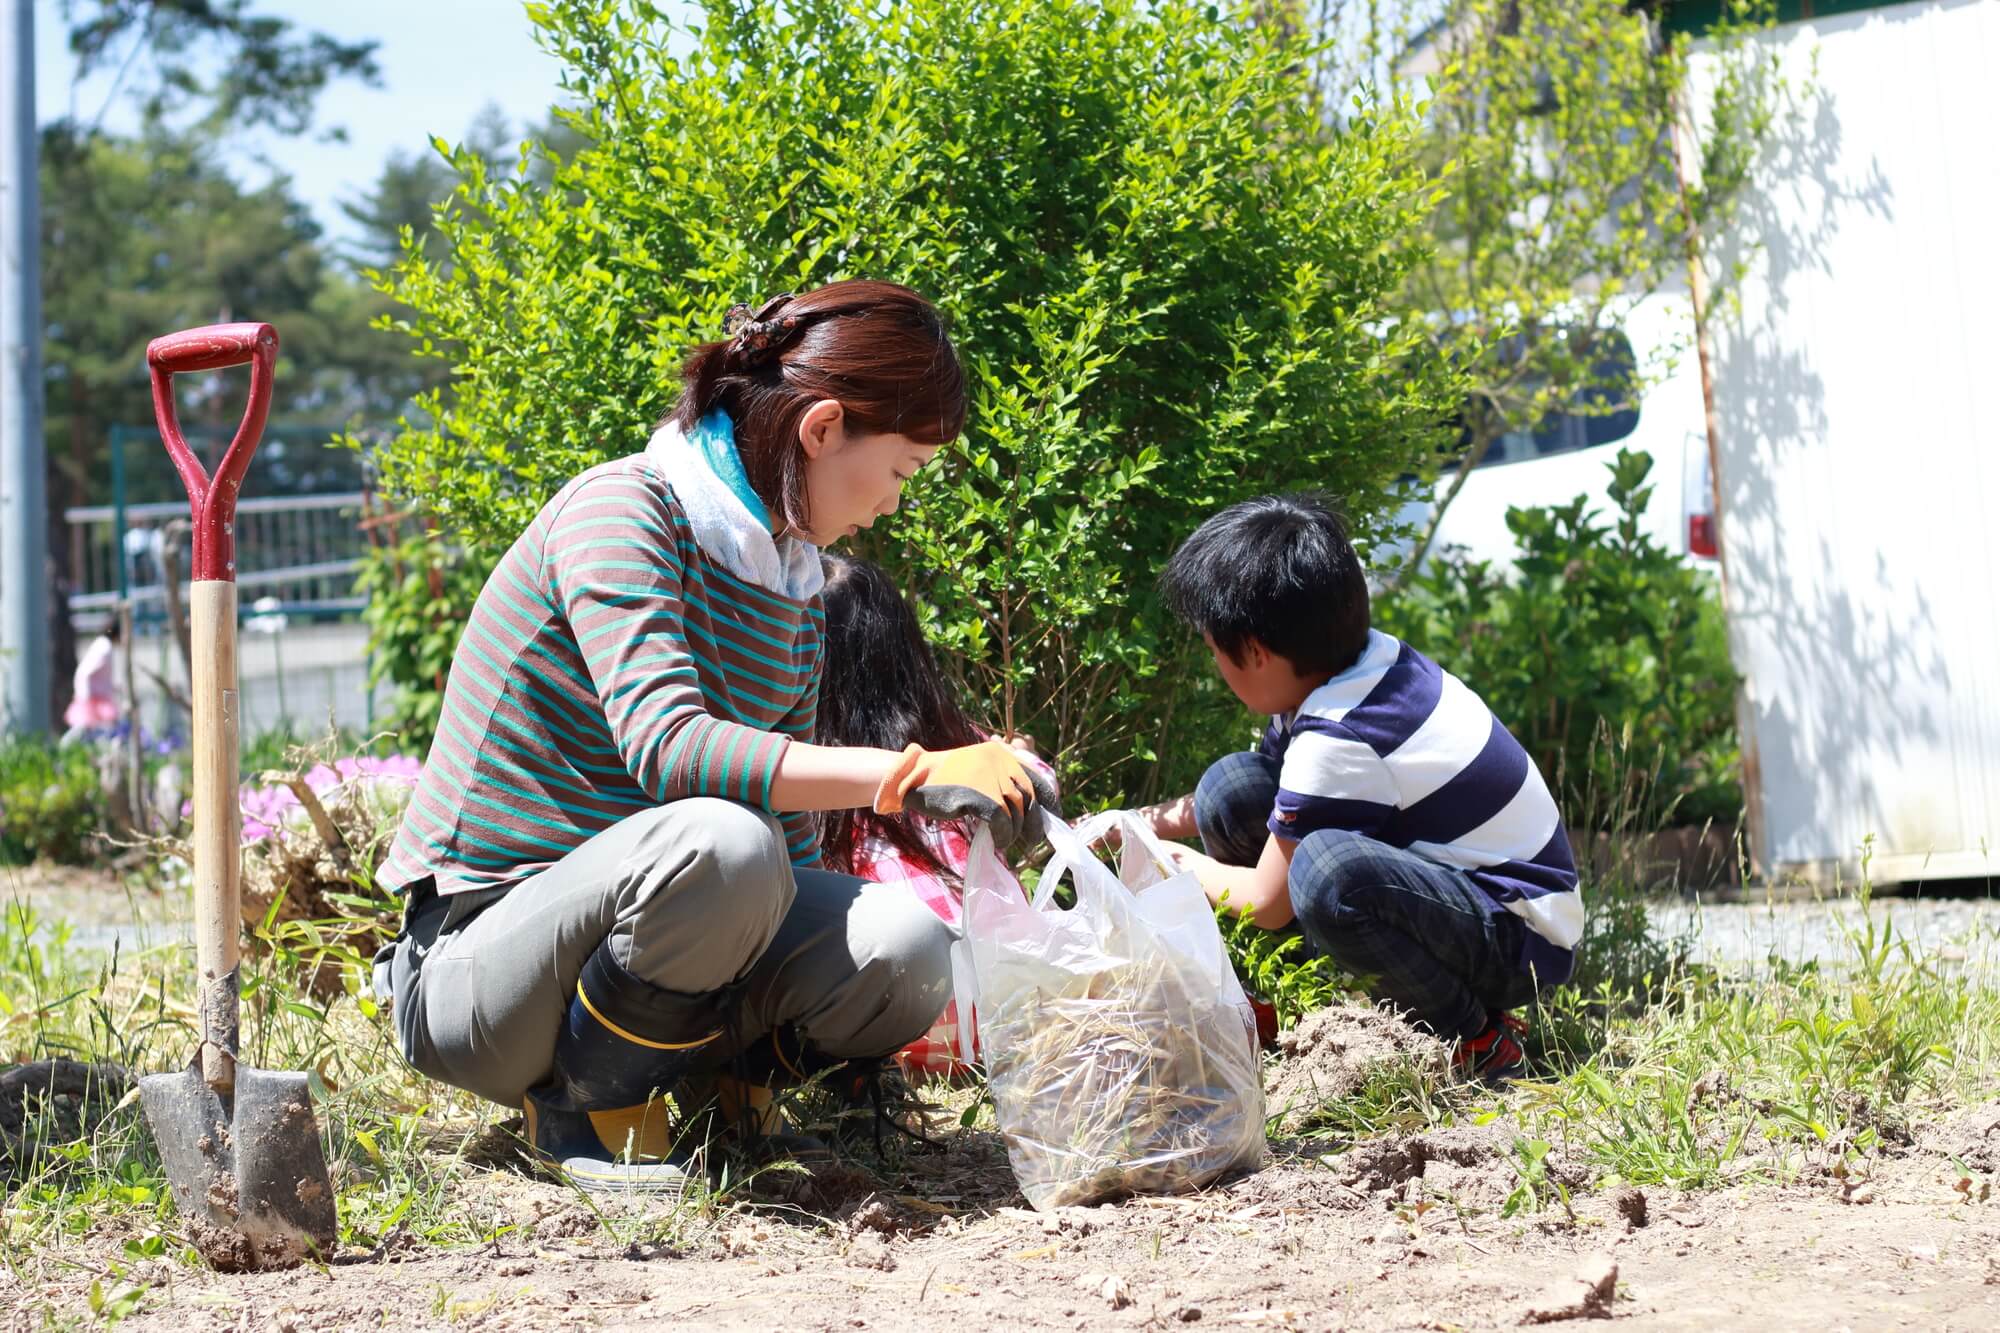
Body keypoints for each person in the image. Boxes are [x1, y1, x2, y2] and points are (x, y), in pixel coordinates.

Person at [373, 281, 1055, 1193]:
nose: (894, 504)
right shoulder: (621, 514)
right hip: (477, 971)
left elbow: (796, 845)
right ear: (820, 429)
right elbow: (674, 749)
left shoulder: (790, 577)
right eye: (899, 472)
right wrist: (911, 773)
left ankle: (733, 1104)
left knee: (907, 949)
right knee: (726, 842)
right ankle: (589, 1113)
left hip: (653, 930)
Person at [1144, 493, 1583, 1082]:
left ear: (1254, 652)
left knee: (1326, 873)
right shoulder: (1346, 668)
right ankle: (1307, 1003)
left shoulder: (1340, 731)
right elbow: (1277, 801)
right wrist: (1142, 820)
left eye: (1215, 650)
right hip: (1465, 897)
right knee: (1233, 788)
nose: (1215, 666)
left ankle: (1476, 1035)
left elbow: (1268, 904)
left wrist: (1167, 861)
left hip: (1520, 939)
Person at [814, 552, 1057, 1077]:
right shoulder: (947, 744)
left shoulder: (806, 776)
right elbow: (1038, 780)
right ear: (907, 654)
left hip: (903, 1029)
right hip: (1015, 1005)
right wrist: (1020, 756)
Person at [61, 619, 123, 742]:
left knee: (96, 729)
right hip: (93, 696)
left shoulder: (102, 645)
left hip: (97, 695)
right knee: (83, 727)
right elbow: (86, 672)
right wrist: (85, 696)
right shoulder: (104, 648)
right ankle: (64, 746)